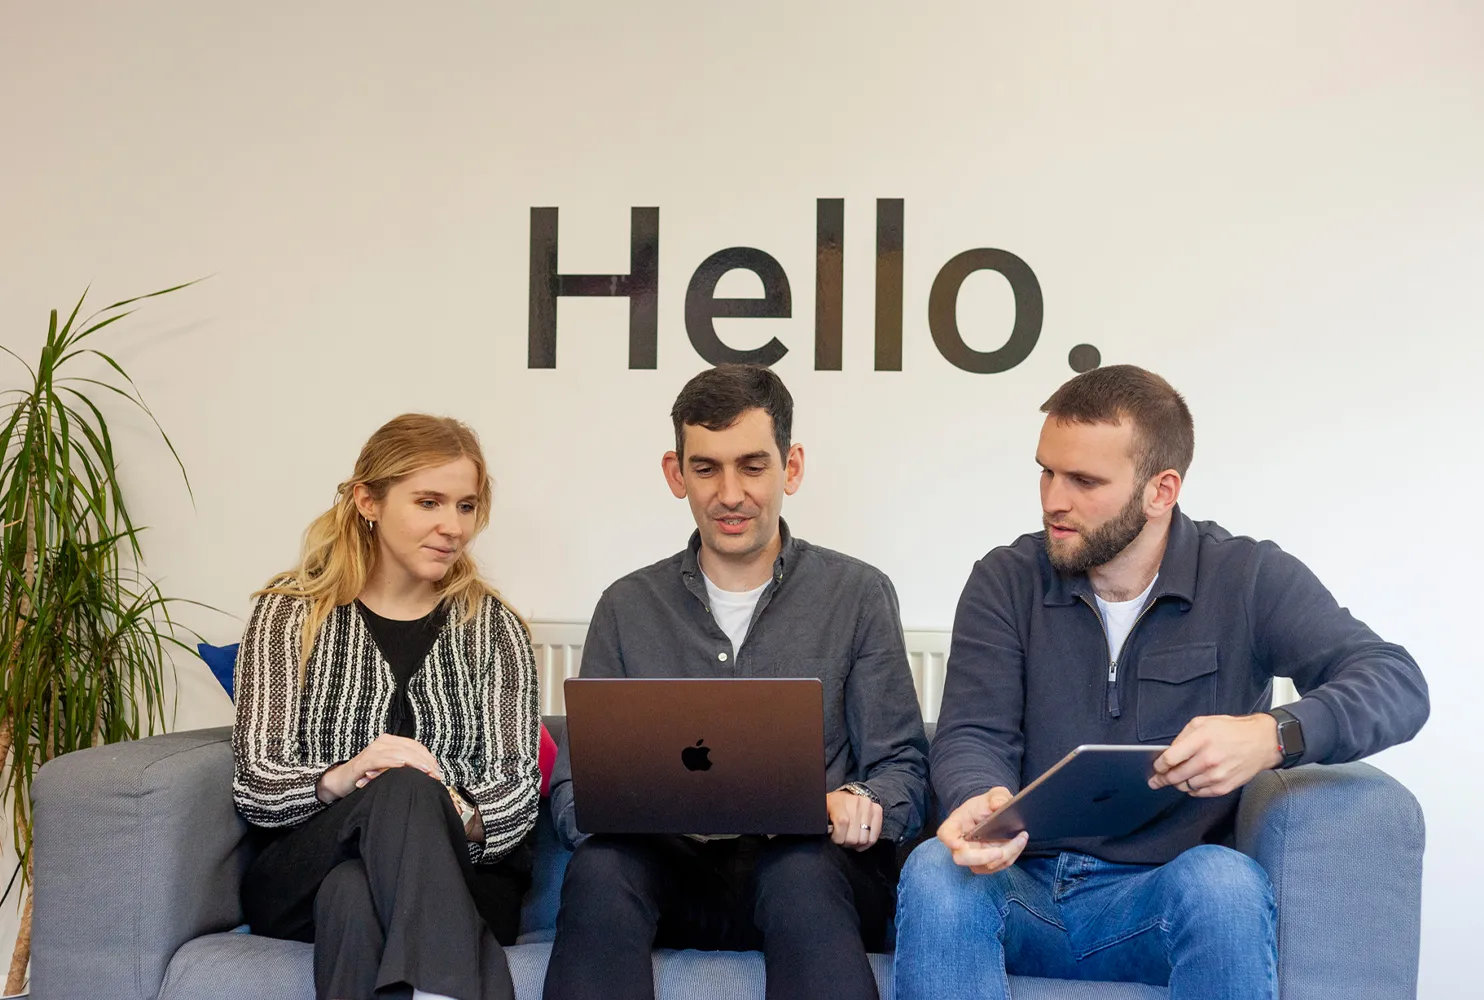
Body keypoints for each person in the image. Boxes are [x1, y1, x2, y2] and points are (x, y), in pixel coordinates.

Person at [893, 365, 1429, 1000]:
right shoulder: (1005, 580)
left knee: (1223, 885)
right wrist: (978, 801)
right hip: (1020, 885)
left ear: (1161, 490)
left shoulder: (1248, 577)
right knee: (935, 871)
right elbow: (972, 732)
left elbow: (1395, 680)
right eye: (1046, 471)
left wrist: (1272, 735)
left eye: (1084, 481)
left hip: (1157, 898)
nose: (1052, 501)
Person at [542, 363, 930, 1000]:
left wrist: (859, 802)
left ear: (792, 467)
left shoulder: (857, 594)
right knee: (600, 869)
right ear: (676, 474)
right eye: (706, 468)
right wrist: (618, 814)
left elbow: (902, 768)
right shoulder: (626, 605)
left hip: (805, 870)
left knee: (801, 873)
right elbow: (573, 785)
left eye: (752, 466)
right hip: (669, 871)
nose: (729, 493)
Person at [232, 414, 541, 1000]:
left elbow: (517, 794)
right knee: (396, 786)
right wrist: (347, 778)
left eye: (467, 506)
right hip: (302, 868)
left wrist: (445, 803)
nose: (453, 526)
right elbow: (255, 785)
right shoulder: (291, 613)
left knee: (353, 892)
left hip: (468, 877)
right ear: (367, 500)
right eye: (429, 502)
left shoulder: (494, 626)